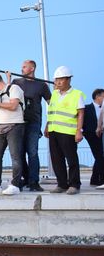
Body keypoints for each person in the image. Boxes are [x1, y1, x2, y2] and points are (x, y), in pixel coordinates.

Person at [9, 60, 52, 191]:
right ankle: (24, 179)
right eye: (21, 66)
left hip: (33, 122)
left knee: (32, 152)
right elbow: (7, 95)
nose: (21, 69)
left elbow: (52, 104)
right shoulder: (16, 82)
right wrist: (8, 79)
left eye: (24, 67)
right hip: (18, 122)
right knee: (19, 153)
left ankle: (34, 182)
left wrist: (48, 123)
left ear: (32, 68)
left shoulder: (41, 85)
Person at [45, 66, 86, 194]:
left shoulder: (76, 94)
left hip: (68, 132)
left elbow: (81, 113)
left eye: (60, 80)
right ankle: (62, 184)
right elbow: (52, 112)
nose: (57, 82)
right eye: (56, 80)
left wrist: (79, 131)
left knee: (71, 159)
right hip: (53, 131)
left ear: (68, 80)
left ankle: (74, 185)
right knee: (56, 159)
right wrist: (47, 126)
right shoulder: (55, 94)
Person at [83, 89, 104, 187]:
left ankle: (95, 179)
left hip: (102, 134)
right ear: (97, 96)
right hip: (91, 134)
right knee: (99, 156)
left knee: (99, 156)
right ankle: (102, 179)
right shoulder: (87, 108)